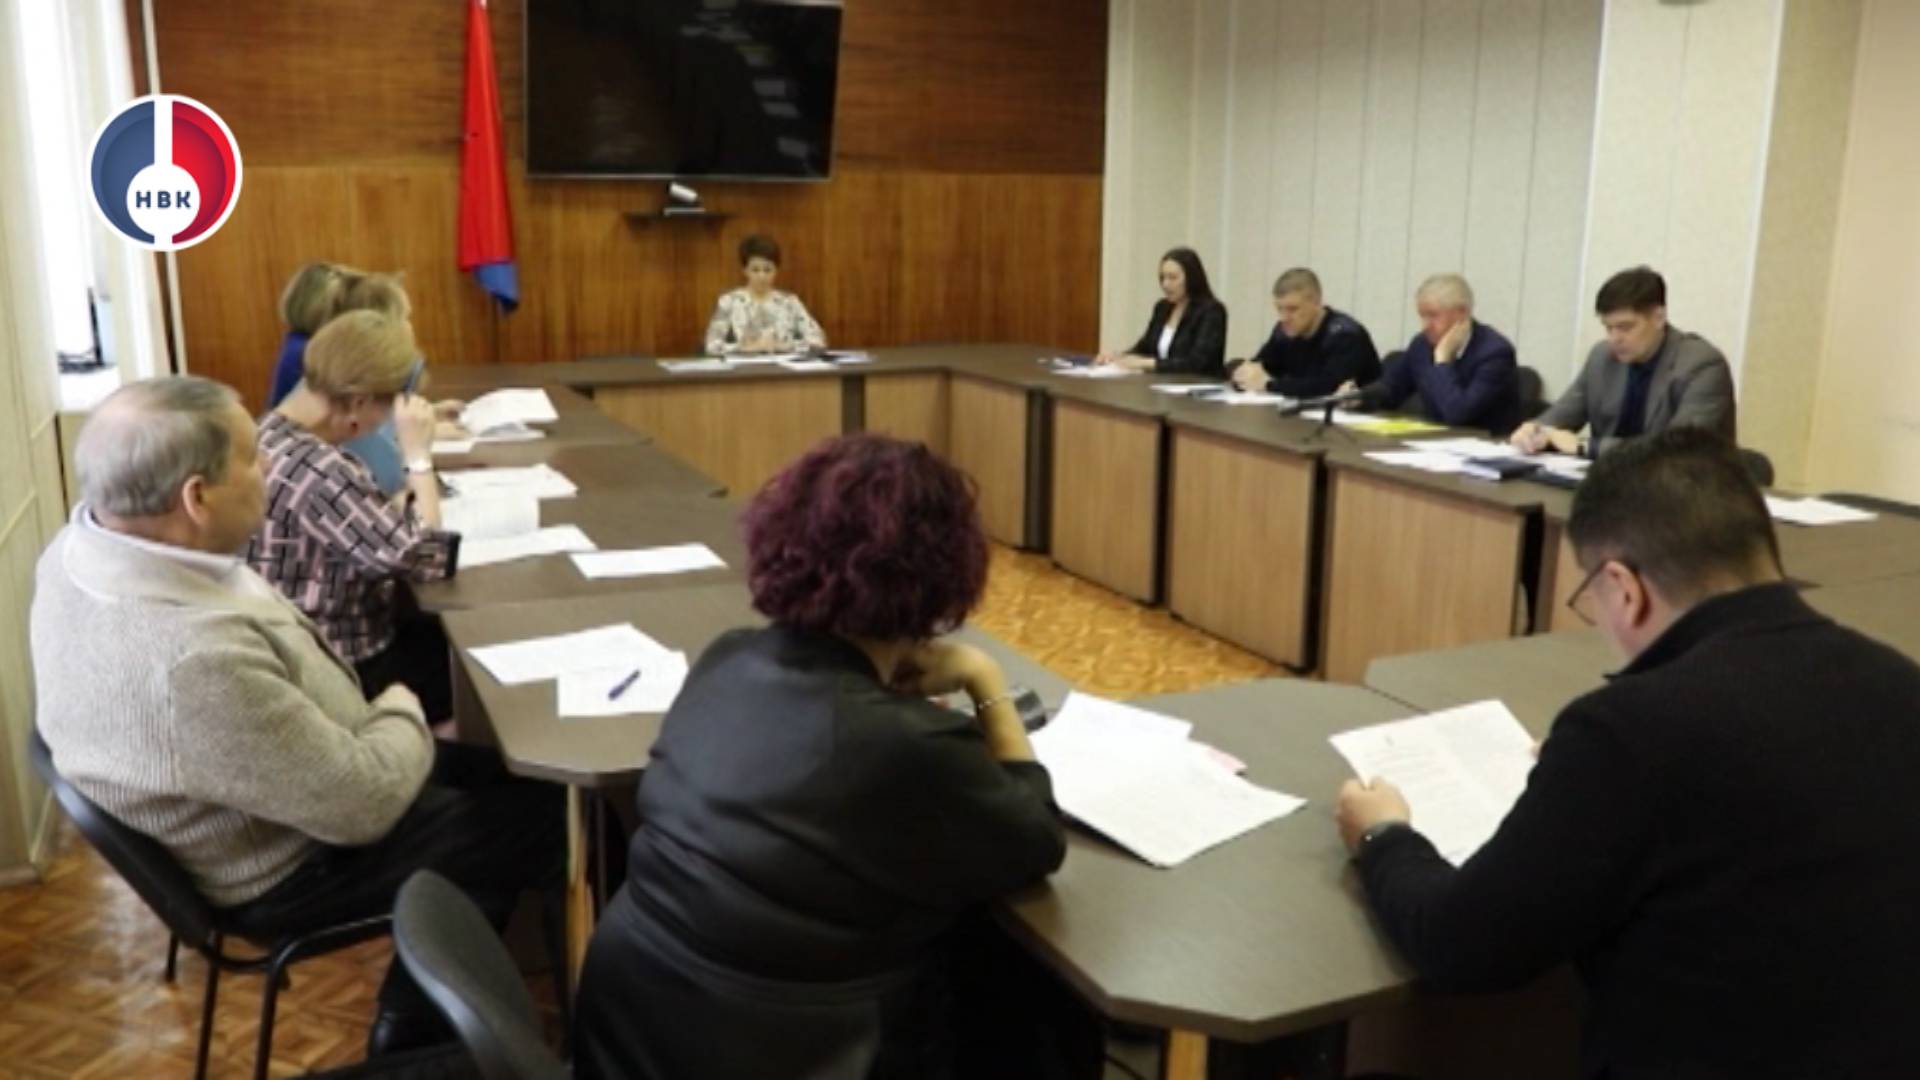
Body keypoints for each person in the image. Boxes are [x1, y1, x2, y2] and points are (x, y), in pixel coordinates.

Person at [1335, 427, 1920, 1078]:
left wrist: (1383, 835)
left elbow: (1459, 946)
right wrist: (1588, 774)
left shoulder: (1631, 732)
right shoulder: (1901, 682)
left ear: (1623, 586)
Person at [30, 376, 561, 1056]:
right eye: (251, 458)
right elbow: (364, 805)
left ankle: (435, 1015)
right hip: (292, 863)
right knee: (549, 819)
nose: (271, 465)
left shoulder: (79, 549)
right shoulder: (190, 662)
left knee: (519, 776)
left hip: (293, 786)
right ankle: (413, 1041)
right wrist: (403, 704)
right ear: (196, 498)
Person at [573, 433, 1089, 1080]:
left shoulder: (726, 659)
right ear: (937, 579)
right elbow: (1036, 838)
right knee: (1028, 988)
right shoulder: (905, 745)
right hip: (797, 1054)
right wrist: (985, 681)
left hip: (634, 1034)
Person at [246, 310, 462, 723]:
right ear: (359, 403)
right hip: (342, 666)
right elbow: (428, 557)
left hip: (296, 651)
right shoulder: (320, 469)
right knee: (463, 665)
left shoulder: (267, 432)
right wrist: (418, 456)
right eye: (388, 410)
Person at [267, 265, 463, 493]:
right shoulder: (329, 380)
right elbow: (391, 488)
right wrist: (419, 459)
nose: (408, 328)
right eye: (402, 319)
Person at [1511, 266, 1735, 457]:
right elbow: (1561, 415)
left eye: (1625, 327)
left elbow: (1676, 450)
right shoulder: (1602, 357)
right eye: (1608, 328)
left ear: (1659, 318)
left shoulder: (1702, 365)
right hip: (1610, 482)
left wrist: (1587, 446)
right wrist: (1534, 430)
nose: (1614, 339)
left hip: (1684, 488)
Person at [1345, 273, 1522, 435]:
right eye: (1422, 316)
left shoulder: (1495, 354)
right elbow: (1392, 388)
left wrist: (1442, 361)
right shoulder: (1422, 345)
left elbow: (1457, 414)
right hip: (1434, 443)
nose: (1425, 326)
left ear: (1461, 314)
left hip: (1483, 446)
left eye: (1433, 316)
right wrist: (1358, 397)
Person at [1230, 267, 1379, 398]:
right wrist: (1243, 374)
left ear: (1316, 303)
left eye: (1292, 309)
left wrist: (1269, 385)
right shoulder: (1284, 331)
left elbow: (1327, 387)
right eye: (1279, 309)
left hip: (1361, 417)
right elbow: (1261, 366)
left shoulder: (1345, 335)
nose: (1283, 318)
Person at [1096, 247, 1228, 376]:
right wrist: (1119, 357)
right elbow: (1145, 348)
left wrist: (1147, 363)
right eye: (1162, 277)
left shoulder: (1211, 311)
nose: (1165, 284)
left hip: (1198, 385)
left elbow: (1197, 363)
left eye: (1173, 278)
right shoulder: (1162, 308)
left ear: (1191, 278)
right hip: (1162, 383)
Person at [704, 234, 828, 355]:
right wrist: (742, 348)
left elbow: (818, 340)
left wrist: (786, 346)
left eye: (767, 270)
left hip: (783, 364)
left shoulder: (790, 302)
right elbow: (712, 345)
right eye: (755, 270)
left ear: (776, 270)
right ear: (745, 270)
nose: (762, 276)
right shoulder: (729, 301)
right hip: (744, 365)